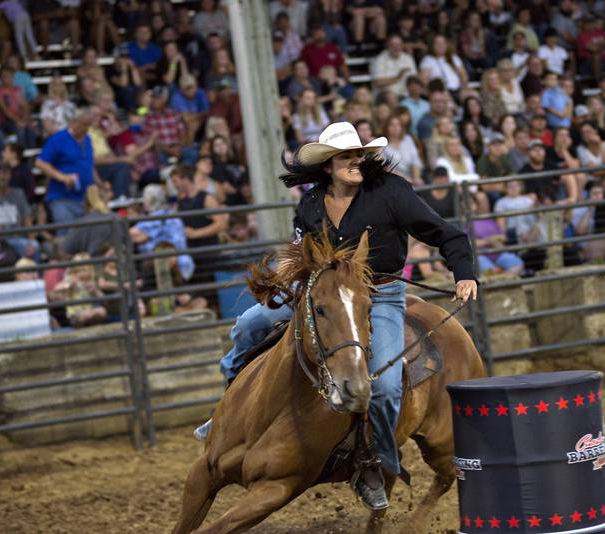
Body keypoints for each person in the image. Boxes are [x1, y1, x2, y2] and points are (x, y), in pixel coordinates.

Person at [196, 121, 477, 511]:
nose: (355, 161)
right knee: (247, 325)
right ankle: (227, 415)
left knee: (386, 387)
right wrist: (285, 279)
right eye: (346, 156)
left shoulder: (390, 192)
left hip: (379, 295)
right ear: (328, 164)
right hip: (319, 290)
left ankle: (373, 464)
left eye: (358, 154)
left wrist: (463, 272)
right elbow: (299, 251)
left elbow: (445, 232)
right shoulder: (310, 205)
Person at [34, 108, 96, 231]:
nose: (86, 129)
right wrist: (61, 177)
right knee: (67, 236)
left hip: (84, 199)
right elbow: (40, 163)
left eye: (88, 125)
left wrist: (99, 183)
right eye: (84, 125)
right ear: (73, 123)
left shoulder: (87, 139)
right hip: (62, 199)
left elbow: (89, 165)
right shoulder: (58, 139)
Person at [0, 159, 39, 261]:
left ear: (10, 175)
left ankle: (34, 276)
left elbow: (27, 219)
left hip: (18, 238)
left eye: (5, 173)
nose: (2, 177)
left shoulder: (19, 193)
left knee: (35, 246)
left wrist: (31, 241)